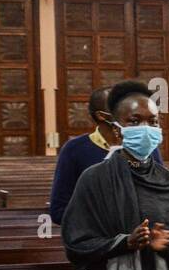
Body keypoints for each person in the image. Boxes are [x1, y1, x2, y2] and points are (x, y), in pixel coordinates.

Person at [60, 81, 169, 270]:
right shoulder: (93, 178)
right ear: (117, 130)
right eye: (135, 121)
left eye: (153, 121)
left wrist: (164, 244)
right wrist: (124, 242)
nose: (146, 129)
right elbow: (76, 244)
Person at [49, 86, 163, 225]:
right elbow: (59, 210)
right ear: (101, 115)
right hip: (95, 240)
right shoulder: (74, 149)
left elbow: (160, 198)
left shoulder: (146, 147)